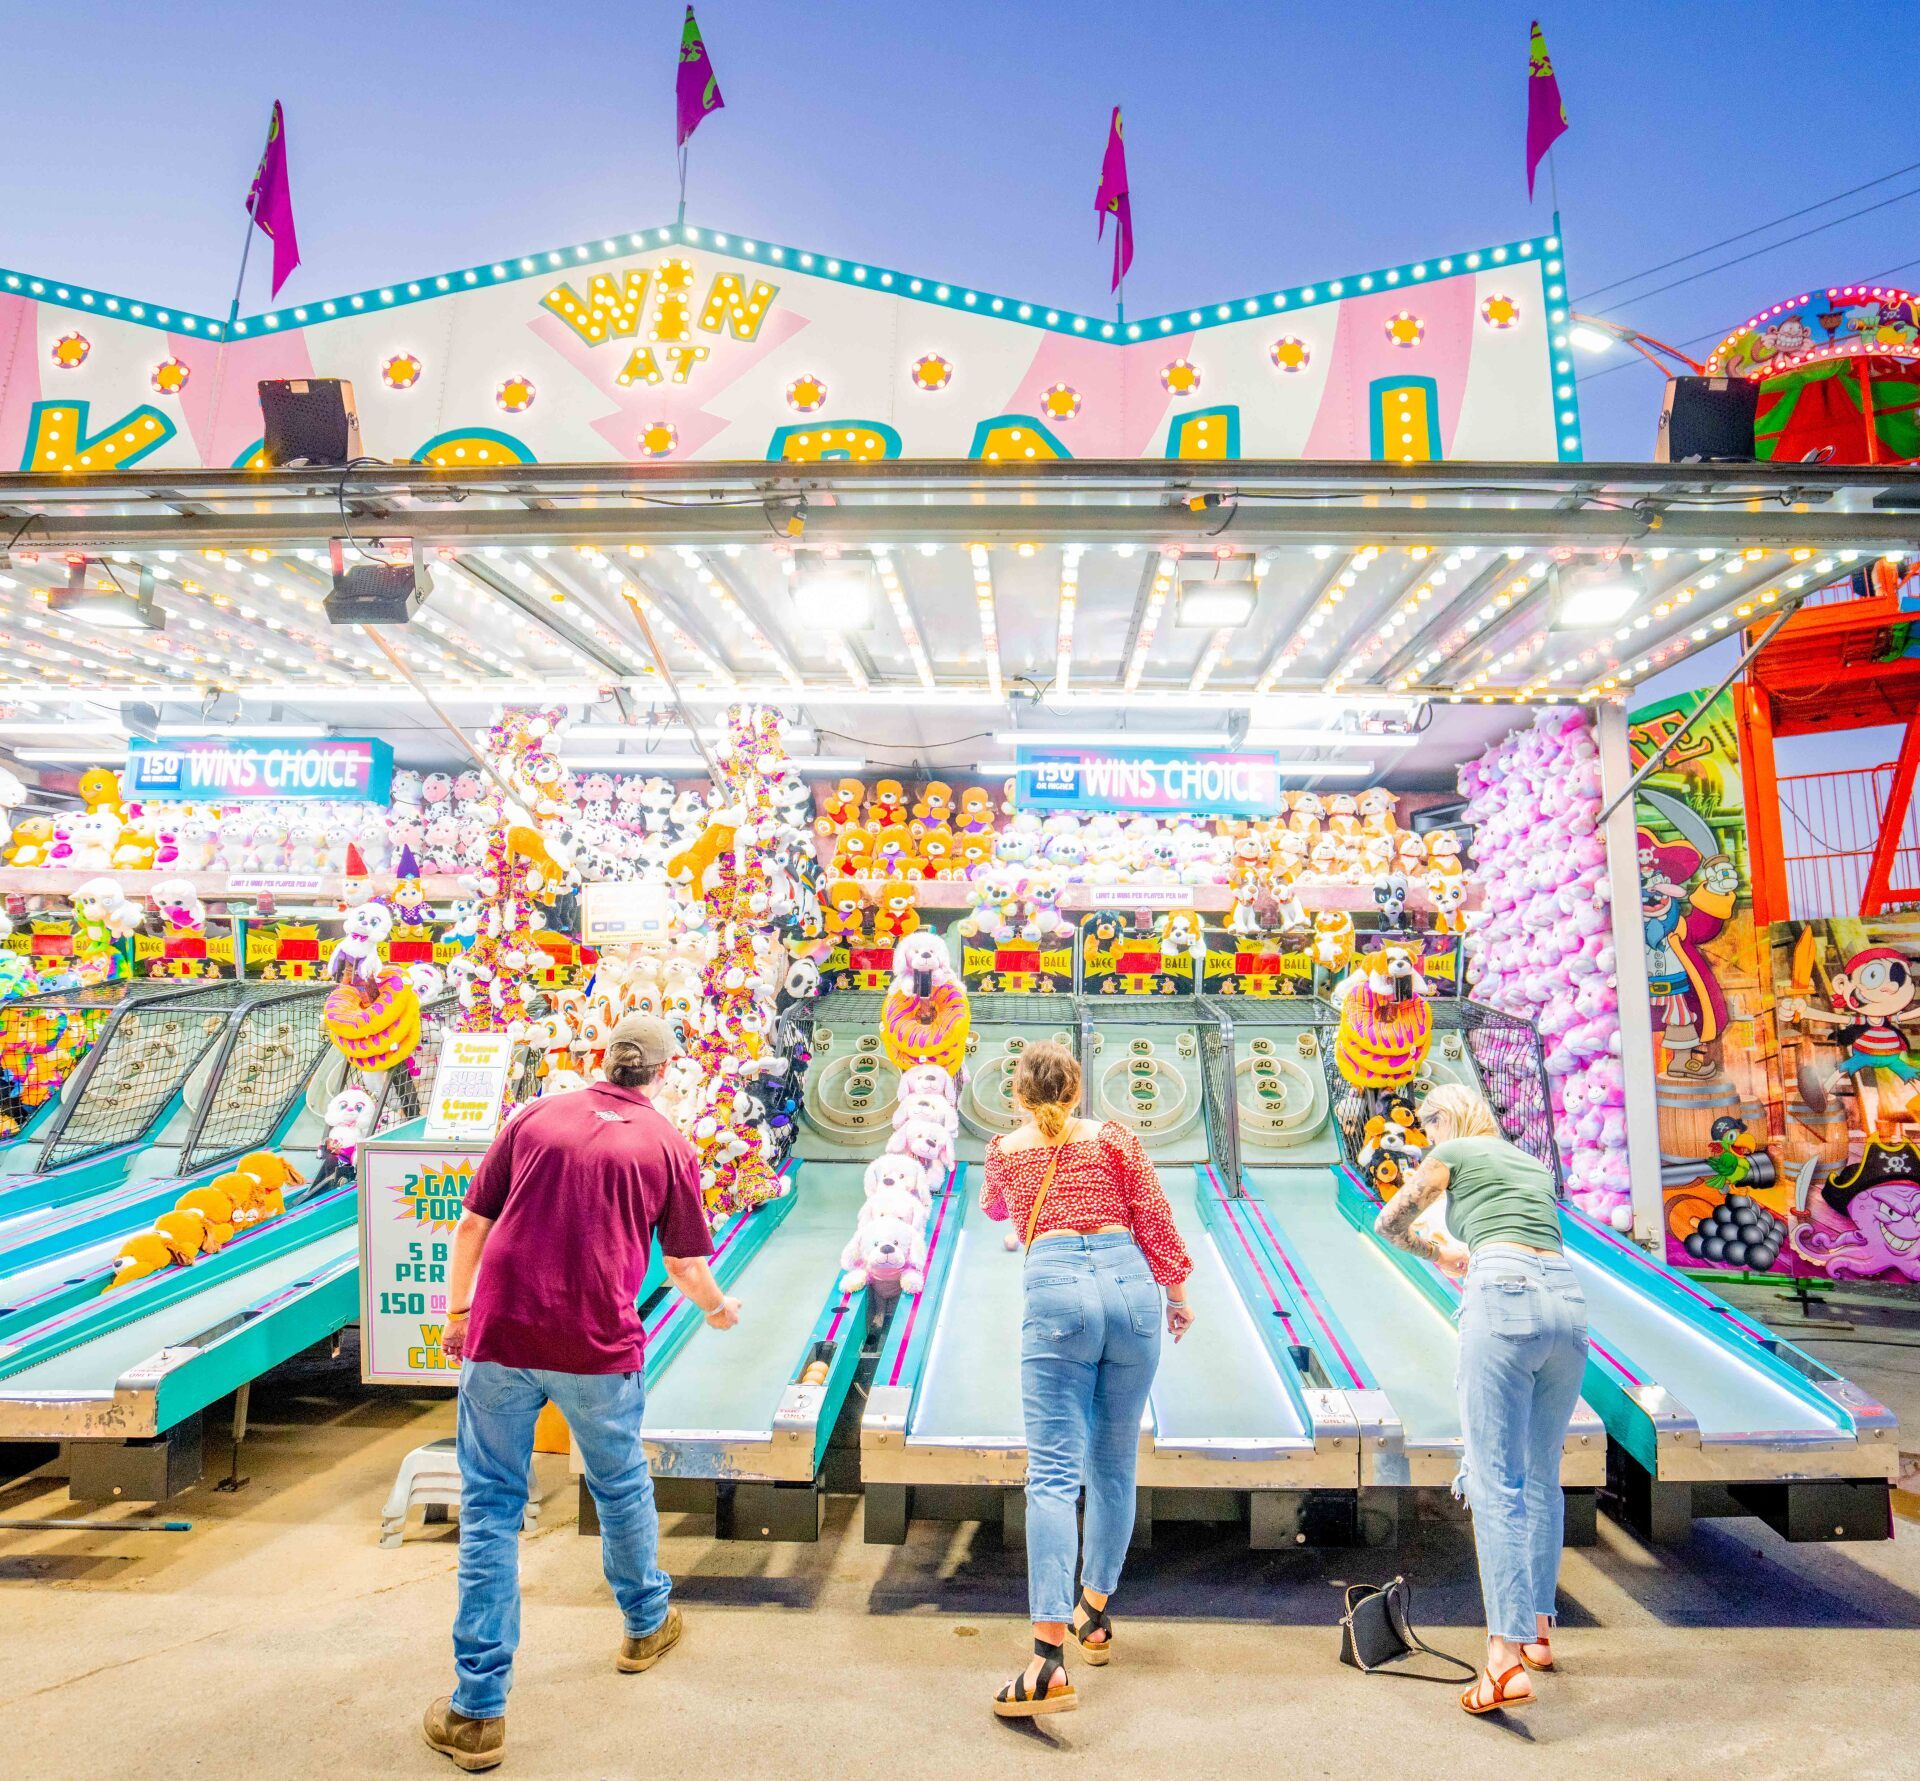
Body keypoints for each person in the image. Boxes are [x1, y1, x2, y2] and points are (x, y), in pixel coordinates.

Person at [423, 1014, 741, 1773]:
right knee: (621, 1483)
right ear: (663, 1072)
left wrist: (457, 1313)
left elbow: (471, 1223)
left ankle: (476, 1713)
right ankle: (644, 1624)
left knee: (492, 1509)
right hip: (596, 1346)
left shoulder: (534, 1114)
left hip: (500, 1336)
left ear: (601, 1060)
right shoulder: (665, 1143)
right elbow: (686, 1267)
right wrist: (720, 1308)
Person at [979, 1040, 1194, 1720]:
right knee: (1112, 1465)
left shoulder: (1004, 1149)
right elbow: (1154, 1217)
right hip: (1131, 1289)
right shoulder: (1116, 1138)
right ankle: (1094, 1614)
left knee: (1051, 1476)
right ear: (1078, 1090)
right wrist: (1179, 1296)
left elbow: (993, 1209)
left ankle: (1046, 1660)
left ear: (1019, 1093)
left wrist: (1022, 1150)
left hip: (1056, 1293)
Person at [1373, 1083, 1588, 1718]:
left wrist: (1441, 1251)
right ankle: (1540, 1633)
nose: (1425, 1138)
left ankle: (1503, 1661)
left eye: (1426, 1125)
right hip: (1568, 1301)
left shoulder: (1454, 1150)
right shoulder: (1531, 1162)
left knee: (1496, 1482)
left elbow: (1390, 1221)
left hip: (1503, 1288)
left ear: (1445, 1119)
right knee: (1543, 1475)